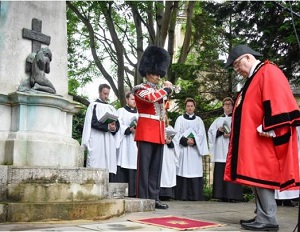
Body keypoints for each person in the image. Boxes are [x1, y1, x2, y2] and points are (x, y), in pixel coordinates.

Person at [224, 44, 300, 231]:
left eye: (237, 65)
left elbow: (278, 99)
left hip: (264, 137)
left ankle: (268, 219)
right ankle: (261, 214)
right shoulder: (255, 76)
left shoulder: (268, 71)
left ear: (248, 58)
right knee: (254, 177)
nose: (237, 70)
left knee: (263, 177)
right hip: (253, 140)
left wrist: (270, 125)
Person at [132, 45, 173, 210]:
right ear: (147, 73)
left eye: (159, 74)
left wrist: (167, 92)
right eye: (155, 74)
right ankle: (143, 198)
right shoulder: (139, 89)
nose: (157, 77)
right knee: (144, 168)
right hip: (145, 131)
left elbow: (164, 107)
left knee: (156, 168)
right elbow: (150, 98)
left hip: (158, 132)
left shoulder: (159, 91)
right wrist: (166, 90)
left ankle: (154, 197)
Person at [208, 97, 243, 202]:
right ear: (222, 106)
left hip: (232, 150)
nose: (227, 106)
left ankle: (233, 196)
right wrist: (218, 132)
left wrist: (232, 134)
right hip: (220, 151)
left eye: (230, 104)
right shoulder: (218, 120)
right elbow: (210, 133)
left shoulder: (237, 119)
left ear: (233, 106)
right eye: (226, 104)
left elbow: (242, 133)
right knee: (220, 172)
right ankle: (221, 195)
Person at [173, 98, 209, 201]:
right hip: (184, 150)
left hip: (194, 151)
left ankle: (195, 196)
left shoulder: (199, 120)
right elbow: (176, 134)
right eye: (188, 106)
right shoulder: (180, 119)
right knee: (183, 170)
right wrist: (185, 141)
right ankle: (182, 195)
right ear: (185, 107)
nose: (190, 108)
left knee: (194, 171)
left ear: (194, 107)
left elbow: (201, 135)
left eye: (191, 106)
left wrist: (194, 140)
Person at [81, 83, 120, 178]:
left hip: (109, 141)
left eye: (107, 94)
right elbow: (92, 122)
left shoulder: (111, 108)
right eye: (104, 93)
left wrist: (114, 128)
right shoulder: (93, 105)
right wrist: (106, 127)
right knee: (96, 163)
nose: (106, 96)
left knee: (108, 163)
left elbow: (117, 124)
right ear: (99, 92)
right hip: (96, 140)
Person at [110, 92, 138, 197]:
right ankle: (120, 191)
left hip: (135, 143)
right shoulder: (121, 111)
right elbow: (118, 125)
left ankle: (132, 192)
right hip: (124, 142)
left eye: (135, 100)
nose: (134, 101)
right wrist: (128, 129)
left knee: (134, 164)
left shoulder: (139, 113)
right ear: (127, 99)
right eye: (132, 99)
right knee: (122, 162)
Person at [160, 114, 179, 201]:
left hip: (168, 154)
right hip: (160, 151)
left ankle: (167, 194)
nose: (164, 117)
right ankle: (159, 193)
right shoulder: (156, 127)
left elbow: (176, 143)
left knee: (167, 172)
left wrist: (169, 142)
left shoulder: (170, 128)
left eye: (165, 116)